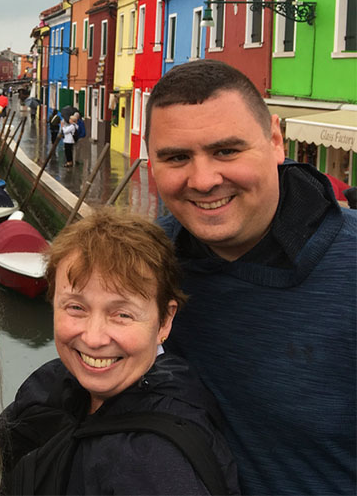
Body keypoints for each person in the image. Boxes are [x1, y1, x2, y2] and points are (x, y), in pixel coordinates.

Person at [143, 59, 356, 495]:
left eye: (226, 151)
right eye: (177, 157)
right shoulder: (145, 263)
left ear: (275, 140)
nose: (203, 180)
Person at [0, 208, 239, 495]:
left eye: (122, 314)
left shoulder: (156, 465)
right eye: (75, 307)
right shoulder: (53, 382)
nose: (94, 338)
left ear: (165, 321)